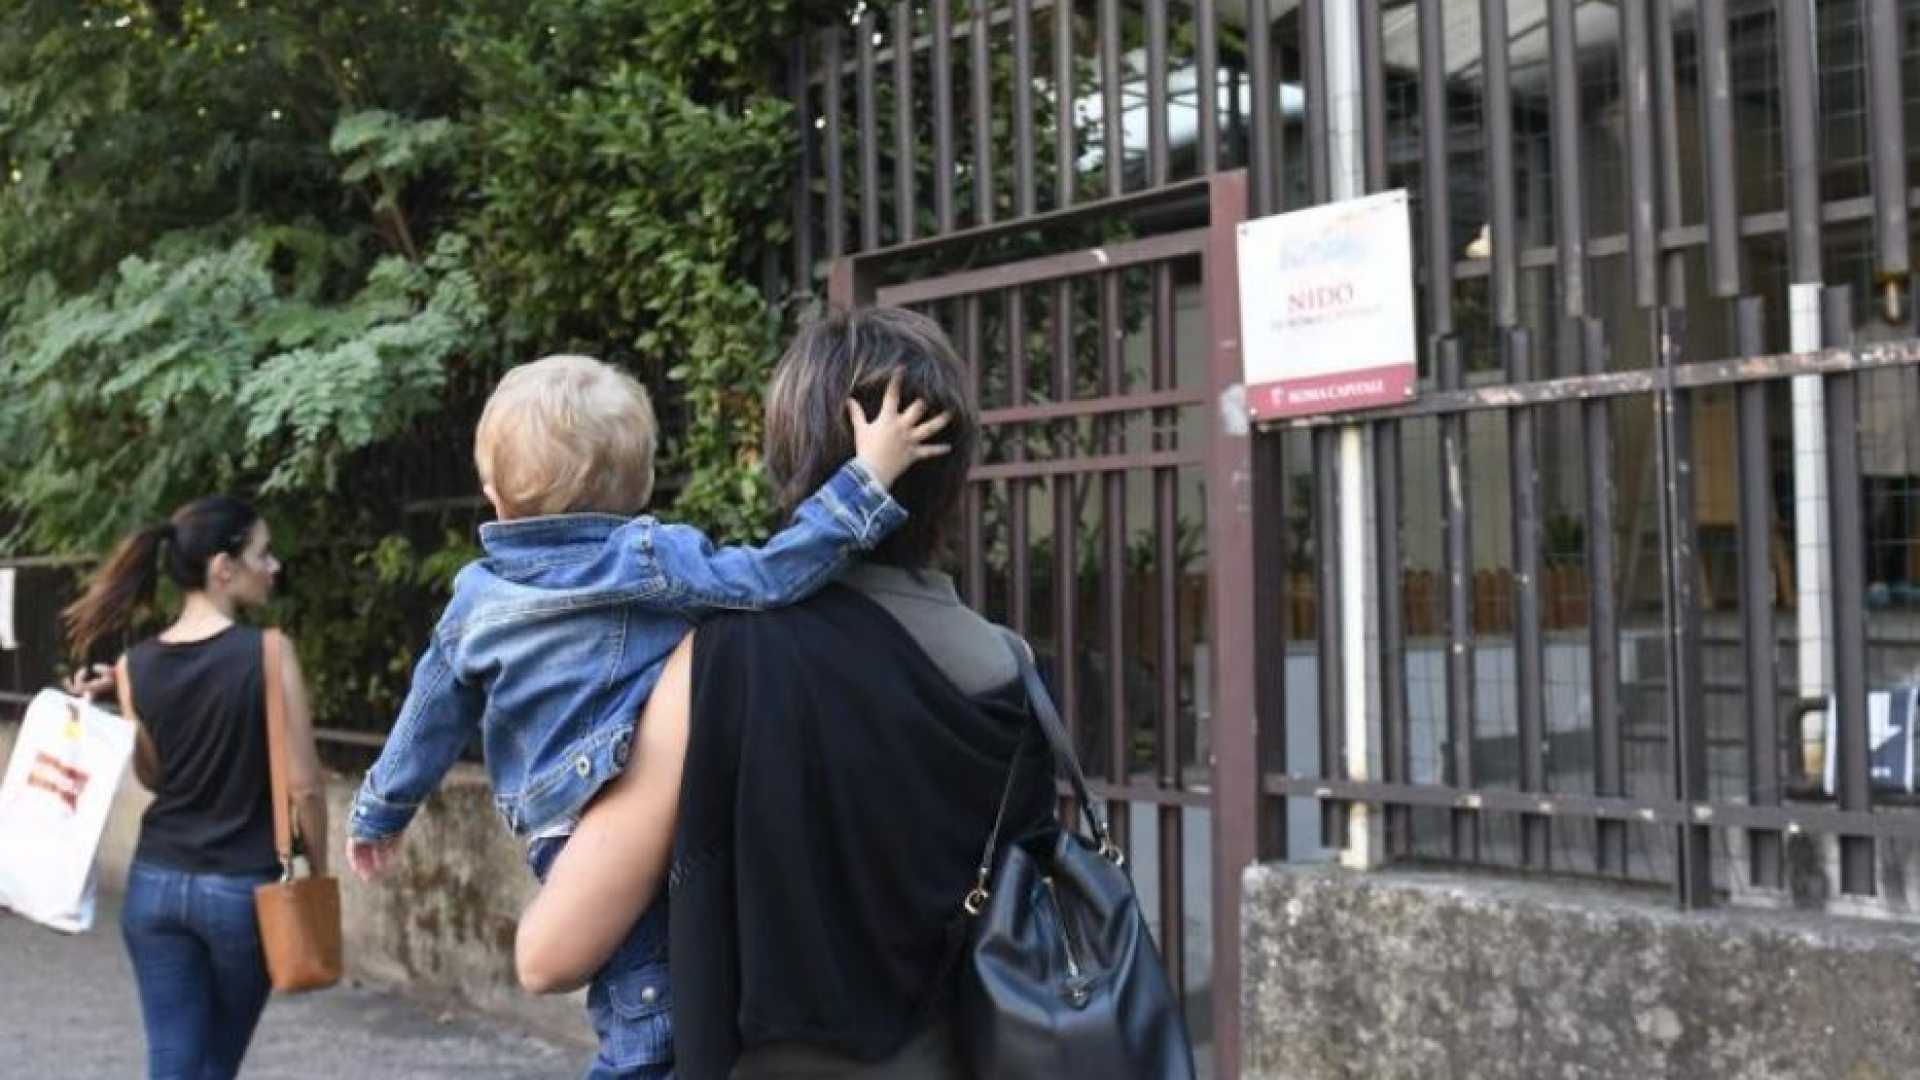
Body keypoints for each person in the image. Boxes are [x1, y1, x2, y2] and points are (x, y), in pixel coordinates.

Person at [343, 353, 950, 1079]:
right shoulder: (647, 557)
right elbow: (770, 577)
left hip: (555, 829)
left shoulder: (475, 601)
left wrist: (379, 812)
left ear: (492, 495)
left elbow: (428, 716)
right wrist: (867, 479)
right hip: (648, 797)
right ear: (640, 486)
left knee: (642, 1002)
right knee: (655, 1022)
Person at [514, 308, 1059, 1078]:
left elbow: (551, 955)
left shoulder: (726, 661)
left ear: (790, 461)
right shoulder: (1013, 671)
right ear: (954, 471)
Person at [61, 495, 328, 1080]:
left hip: (154, 885)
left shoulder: (133, 666)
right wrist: (319, 868)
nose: (274, 565)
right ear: (222, 568)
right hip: (240, 889)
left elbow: (153, 776)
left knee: (174, 1060)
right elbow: (305, 787)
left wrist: (131, 698)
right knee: (214, 1063)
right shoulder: (269, 653)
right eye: (262, 553)